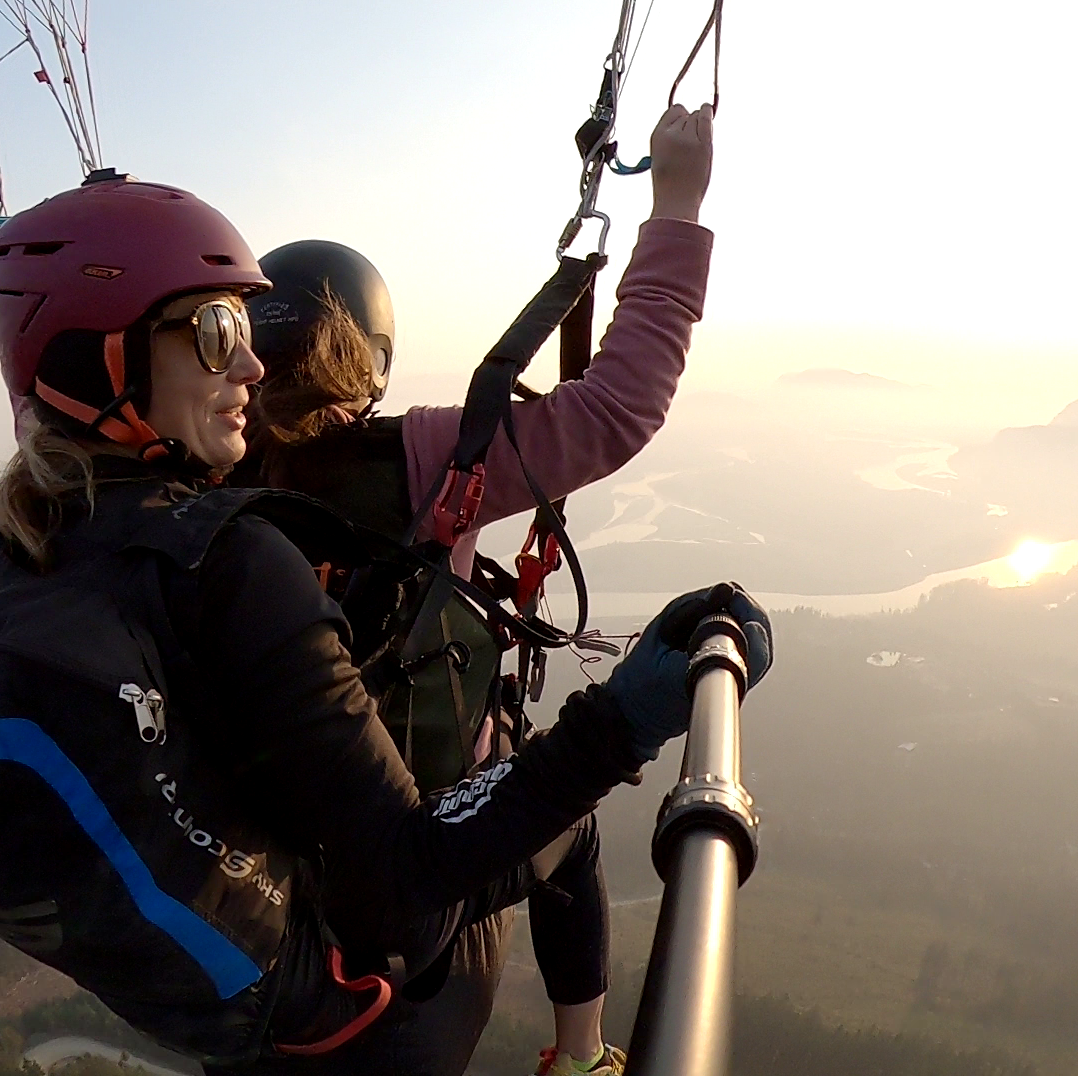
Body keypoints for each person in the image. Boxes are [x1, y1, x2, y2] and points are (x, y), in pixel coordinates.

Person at [0, 170, 772, 1076]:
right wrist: (624, 716)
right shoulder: (247, 549)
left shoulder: (13, 544)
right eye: (215, 331)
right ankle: (582, 1058)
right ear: (108, 359)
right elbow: (402, 881)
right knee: (567, 827)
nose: (249, 366)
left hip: (248, 976)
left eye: (247, 329)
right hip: (372, 969)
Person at [233, 104, 716, 1075]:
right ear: (363, 357)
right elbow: (621, 404)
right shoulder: (415, 462)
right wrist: (677, 202)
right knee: (566, 828)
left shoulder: (197, 501)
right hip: (433, 863)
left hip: (270, 898)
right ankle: (581, 1059)